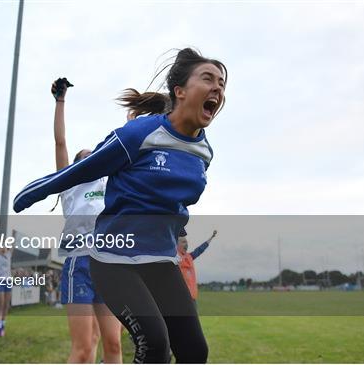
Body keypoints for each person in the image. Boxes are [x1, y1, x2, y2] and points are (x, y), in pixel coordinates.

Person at [13, 48, 226, 363]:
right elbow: (75, 166)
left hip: (158, 262)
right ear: (180, 91)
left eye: (222, 83)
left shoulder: (199, 153)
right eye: (208, 78)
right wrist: (33, 191)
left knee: (186, 350)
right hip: (108, 261)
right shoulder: (117, 152)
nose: (218, 88)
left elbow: (168, 189)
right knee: (134, 346)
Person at [51, 77, 122, 363]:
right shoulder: (69, 184)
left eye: (94, 157)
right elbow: (60, 142)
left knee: (113, 345)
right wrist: (60, 101)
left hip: (109, 265)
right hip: (79, 264)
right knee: (82, 350)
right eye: (84, 157)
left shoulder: (110, 184)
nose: (89, 159)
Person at [177, 229, 216, 304]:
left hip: (192, 298)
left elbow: (200, 249)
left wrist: (211, 237)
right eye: (183, 242)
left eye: (187, 242)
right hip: (181, 298)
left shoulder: (190, 257)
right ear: (176, 245)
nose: (186, 244)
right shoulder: (175, 258)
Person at [0, 246, 12, 337]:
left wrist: (14, 235)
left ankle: (3, 323)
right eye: (1, 247)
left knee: (6, 304)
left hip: (8, 281)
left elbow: (13, 245)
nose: (3, 249)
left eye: (4, 247)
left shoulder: (8, 255)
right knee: (1, 304)